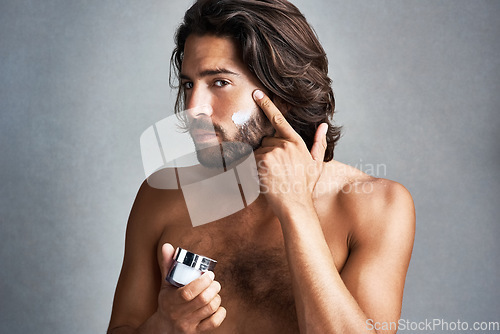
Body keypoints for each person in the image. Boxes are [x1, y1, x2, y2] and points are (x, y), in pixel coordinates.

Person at [107, 0, 415, 333]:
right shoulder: (161, 197)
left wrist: (296, 209)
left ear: (281, 92)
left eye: (220, 83)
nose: (193, 108)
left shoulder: (375, 205)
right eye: (188, 84)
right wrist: (164, 326)